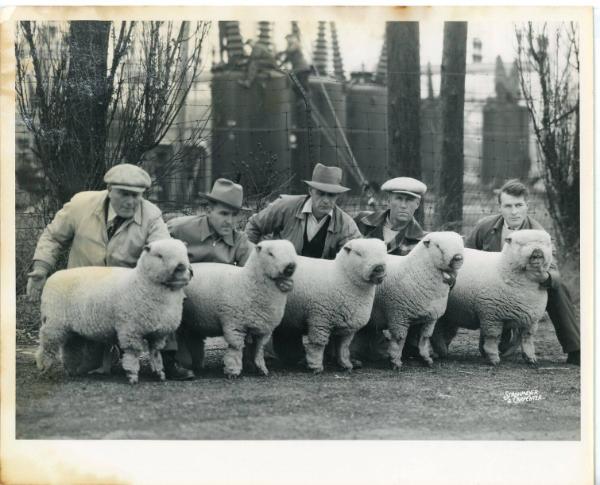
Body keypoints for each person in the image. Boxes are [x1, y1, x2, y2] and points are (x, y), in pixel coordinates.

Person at [26, 163, 194, 380]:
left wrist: (175, 275)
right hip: (83, 298)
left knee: (164, 299)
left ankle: (167, 358)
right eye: (124, 194)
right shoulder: (81, 205)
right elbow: (53, 236)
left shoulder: (151, 216)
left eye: (136, 195)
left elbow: (164, 251)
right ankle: (103, 350)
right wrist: (41, 268)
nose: (131, 201)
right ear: (110, 190)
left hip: (124, 299)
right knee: (80, 370)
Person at [464, 179, 580, 365]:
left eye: (519, 205)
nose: (514, 211)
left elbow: (555, 272)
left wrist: (546, 276)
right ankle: (434, 342)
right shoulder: (485, 227)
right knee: (453, 285)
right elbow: (466, 257)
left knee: (558, 288)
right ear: (500, 207)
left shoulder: (539, 234)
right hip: (491, 296)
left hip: (524, 294)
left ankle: (576, 348)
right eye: (508, 206)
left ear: (527, 206)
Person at [351, 176, 437, 363]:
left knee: (379, 355)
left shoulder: (423, 243)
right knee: (348, 351)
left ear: (418, 204)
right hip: (356, 302)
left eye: (410, 200)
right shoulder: (361, 223)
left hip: (391, 312)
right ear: (388, 200)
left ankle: (401, 342)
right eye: (399, 198)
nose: (404, 205)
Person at [245, 163, 361, 259]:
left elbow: (357, 255)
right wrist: (251, 260)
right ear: (310, 191)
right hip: (281, 276)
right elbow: (254, 225)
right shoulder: (286, 206)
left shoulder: (346, 225)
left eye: (331, 195)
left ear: (338, 196)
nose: (325, 200)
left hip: (320, 281)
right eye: (320, 193)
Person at [168, 178, 254, 266]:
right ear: (209, 211)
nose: (229, 221)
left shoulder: (239, 242)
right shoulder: (180, 228)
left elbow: (253, 271)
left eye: (234, 215)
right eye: (224, 213)